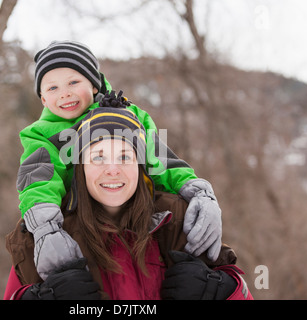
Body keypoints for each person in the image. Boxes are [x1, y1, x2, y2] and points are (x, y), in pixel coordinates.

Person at [17, 40, 223, 281]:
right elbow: (38, 181)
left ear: (94, 85)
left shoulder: (128, 116)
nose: (65, 93)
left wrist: (197, 192)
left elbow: (161, 159)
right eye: (52, 88)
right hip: (78, 223)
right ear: (42, 99)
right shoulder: (41, 134)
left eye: (74, 82)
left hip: (135, 216)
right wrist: (46, 229)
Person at [4, 107, 252, 300]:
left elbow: (241, 292)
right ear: (81, 168)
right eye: (98, 157)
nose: (113, 170)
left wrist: (220, 290)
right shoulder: (44, 237)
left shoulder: (180, 220)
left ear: (141, 167)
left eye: (124, 157)